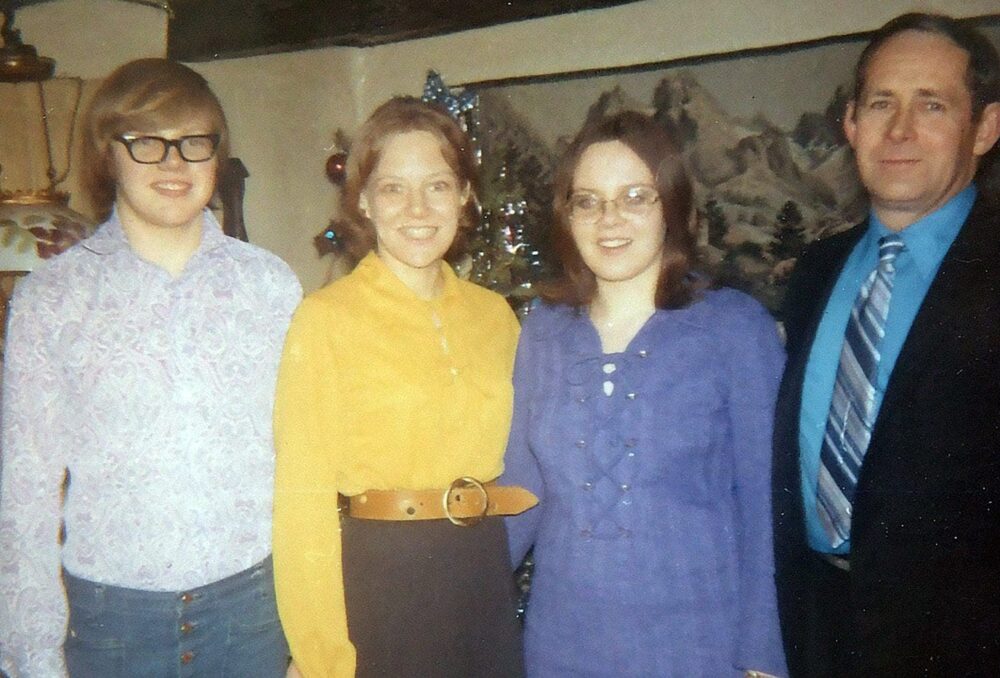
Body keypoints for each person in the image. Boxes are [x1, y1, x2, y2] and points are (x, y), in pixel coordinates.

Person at [0, 58, 301, 677]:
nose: (173, 163)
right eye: (146, 142)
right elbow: (24, 496)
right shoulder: (52, 300)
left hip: (253, 613)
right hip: (111, 626)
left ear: (217, 158)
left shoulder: (269, 287)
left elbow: (304, 463)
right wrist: (33, 656)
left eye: (194, 143)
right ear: (107, 155)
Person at [501, 110, 787, 677]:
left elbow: (766, 503)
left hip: (699, 645)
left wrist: (763, 654)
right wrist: (456, 605)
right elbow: (520, 492)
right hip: (562, 645)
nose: (609, 219)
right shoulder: (544, 329)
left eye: (636, 196)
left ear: (673, 209)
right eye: (588, 200)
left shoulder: (734, 328)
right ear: (567, 216)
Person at [272, 96, 533, 678]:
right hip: (384, 586)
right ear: (363, 200)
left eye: (438, 185)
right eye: (393, 188)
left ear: (465, 195)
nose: (417, 208)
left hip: (484, 577)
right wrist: (320, 657)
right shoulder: (325, 320)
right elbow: (300, 504)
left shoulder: (497, 318)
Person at [771, 13, 1000, 676]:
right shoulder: (816, 272)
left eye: (932, 105)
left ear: (984, 128)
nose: (900, 130)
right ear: (850, 123)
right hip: (815, 632)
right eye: (881, 105)